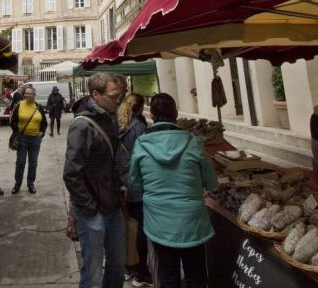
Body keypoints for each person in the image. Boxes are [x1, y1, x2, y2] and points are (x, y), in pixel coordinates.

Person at [129, 93, 218, 288]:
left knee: (168, 275)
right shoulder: (193, 142)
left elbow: (134, 182)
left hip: (159, 221)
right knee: (195, 276)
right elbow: (212, 182)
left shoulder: (141, 144)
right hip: (191, 220)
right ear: (176, 114)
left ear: (152, 115)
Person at [64, 73, 126, 288]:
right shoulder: (82, 126)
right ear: (95, 94)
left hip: (113, 206)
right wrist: (89, 208)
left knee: (117, 268)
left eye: (120, 96)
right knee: (93, 274)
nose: (118, 101)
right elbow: (71, 173)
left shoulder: (110, 117)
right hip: (93, 211)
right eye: (113, 96)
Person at [115, 93, 152, 287]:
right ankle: (140, 271)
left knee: (126, 226)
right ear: (140, 108)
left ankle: (128, 267)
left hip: (120, 183)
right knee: (139, 230)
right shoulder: (139, 128)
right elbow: (145, 158)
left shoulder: (118, 124)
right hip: (136, 184)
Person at [10, 85, 47, 193]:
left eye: (29, 94)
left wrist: (42, 133)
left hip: (35, 139)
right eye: (25, 93)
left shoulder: (38, 106)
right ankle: (17, 185)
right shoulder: (19, 105)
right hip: (22, 138)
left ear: (34, 95)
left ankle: (30, 184)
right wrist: (18, 132)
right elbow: (13, 121)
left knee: (33, 162)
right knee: (20, 162)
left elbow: (44, 122)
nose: (26, 95)